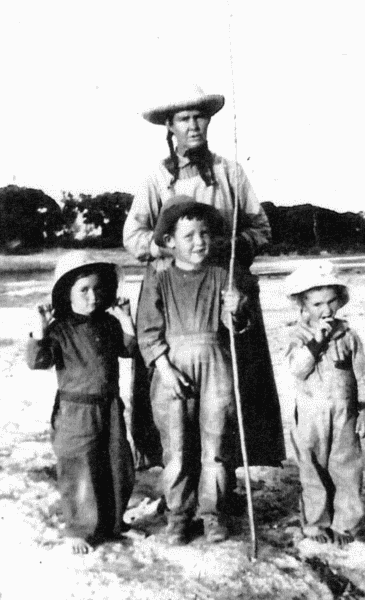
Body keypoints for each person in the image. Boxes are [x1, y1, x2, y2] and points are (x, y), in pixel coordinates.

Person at [123, 83, 285, 473]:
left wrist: (228, 247)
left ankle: (223, 480)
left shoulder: (231, 172)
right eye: (184, 118)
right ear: (170, 125)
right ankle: (177, 480)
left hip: (224, 290)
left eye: (199, 116)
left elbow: (260, 228)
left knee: (231, 388)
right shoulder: (156, 179)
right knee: (171, 387)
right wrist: (168, 249)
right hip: (174, 292)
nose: (193, 125)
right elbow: (133, 236)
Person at [137, 196, 251, 545]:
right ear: (169, 242)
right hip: (172, 369)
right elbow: (148, 330)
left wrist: (236, 309)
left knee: (215, 445)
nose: (200, 241)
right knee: (177, 448)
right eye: (189, 236)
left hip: (215, 364)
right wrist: (165, 368)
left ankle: (213, 513)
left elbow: (233, 328)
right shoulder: (159, 278)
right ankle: (178, 515)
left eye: (205, 233)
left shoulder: (221, 275)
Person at [26, 251, 136, 554]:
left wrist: (126, 318)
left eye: (98, 288)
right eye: (83, 290)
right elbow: (37, 361)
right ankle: (79, 528)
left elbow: (129, 350)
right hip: (76, 410)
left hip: (110, 406)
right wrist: (40, 327)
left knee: (116, 464)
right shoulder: (60, 329)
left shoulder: (109, 324)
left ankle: (113, 522)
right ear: (67, 293)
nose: (93, 296)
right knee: (79, 467)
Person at [285, 261, 365, 547]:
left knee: (346, 469)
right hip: (311, 415)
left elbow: (362, 374)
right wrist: (316, 342)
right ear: (302, 305)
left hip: (344, 413)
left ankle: (345, 524)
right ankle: (315, 523)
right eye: (316, 304)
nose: (325, 310)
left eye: (331, 301)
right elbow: (298, 369)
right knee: (312, 470)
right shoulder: (298, 336)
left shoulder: (348, 336)